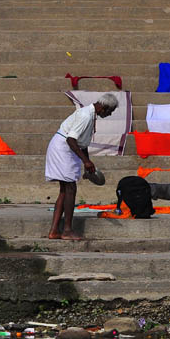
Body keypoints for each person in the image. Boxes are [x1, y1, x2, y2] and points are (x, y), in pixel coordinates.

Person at [45, 92, 118, 240]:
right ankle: (67, 230)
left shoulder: (91, 115)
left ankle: (54, 231)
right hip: (63, 148)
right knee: (70, 188)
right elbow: (71, 140)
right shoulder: (85, 116)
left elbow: (82, 142)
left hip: (66, 148)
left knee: (64, 190)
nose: (109, 115)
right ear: (104, 108)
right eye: (110, 111)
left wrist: (87, 162)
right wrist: (85, 161)